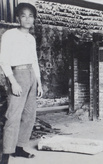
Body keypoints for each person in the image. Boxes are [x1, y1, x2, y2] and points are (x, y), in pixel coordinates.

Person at [0, 3, 43, 164]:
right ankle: (6, 153)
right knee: (13, 116)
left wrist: (39, 82)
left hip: (31, 75)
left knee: (29, 115)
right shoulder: (9, 35)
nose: (27, 19)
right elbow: (3, 60)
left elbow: (34, 61)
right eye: (23, 15)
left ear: (34, 19)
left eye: (31, 16)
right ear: (18, 18)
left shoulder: (31, 38)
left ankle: (19, 147)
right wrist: (13, 82)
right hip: (17, 74)